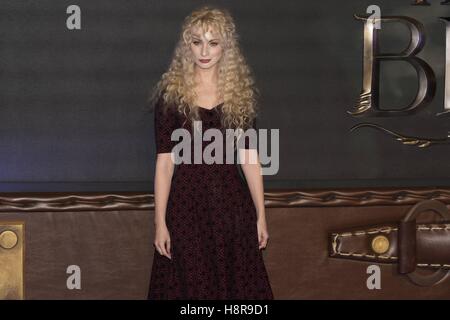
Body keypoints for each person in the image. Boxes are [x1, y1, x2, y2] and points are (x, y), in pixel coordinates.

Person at [147, 5, 274, 300]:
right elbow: (165, 163)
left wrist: (262, 215)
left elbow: (250, 160)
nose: (204, 51)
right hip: (186, 211)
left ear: (225, 47)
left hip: (233, 209)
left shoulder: (239, 96)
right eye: (197, 41)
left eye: (213, 42)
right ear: (186, 46)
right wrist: (160, 223)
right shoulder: (171, 98)